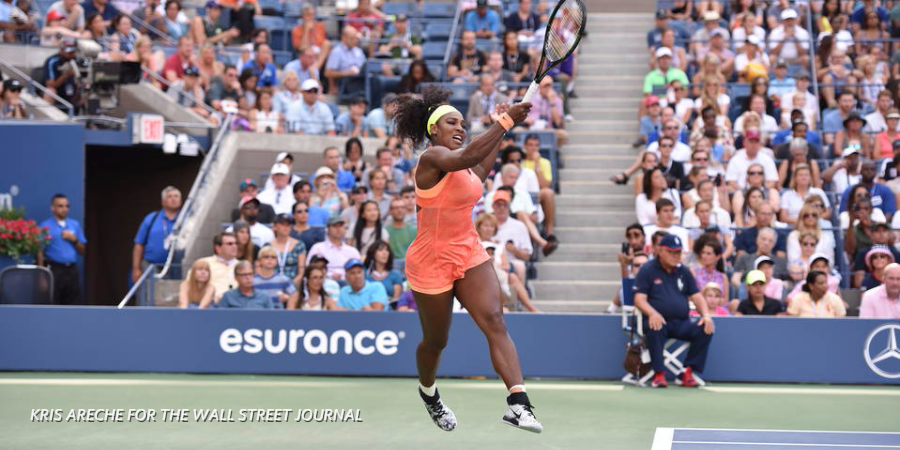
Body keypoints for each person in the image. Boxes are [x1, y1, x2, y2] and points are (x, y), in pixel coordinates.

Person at [393, 85, 541, 432]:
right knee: (436, 341)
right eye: (451, 123)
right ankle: (429, 393)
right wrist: (503, 122)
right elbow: (466, 158)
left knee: (494, 319)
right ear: (433, 131)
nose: (459, 128)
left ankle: (518, 402)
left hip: (468, 251)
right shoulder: (431, 159)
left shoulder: (463, 163)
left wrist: (503, 128)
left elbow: (480, 169)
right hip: (430, 261)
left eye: (462, 123)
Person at [633, 234, 715, 388]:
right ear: (660, 251)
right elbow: (639, 299)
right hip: (656, 321)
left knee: (705, 328)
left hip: (681, 322)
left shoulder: (684, 271)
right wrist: (652, 313)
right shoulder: (648, 269)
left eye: (677, 252)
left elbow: (697, 296)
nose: (675, 256)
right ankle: (658, 374)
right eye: (671, 252)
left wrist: (706, 316)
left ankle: (687, 372)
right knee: (655, 325)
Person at [37, 194, 86, 305]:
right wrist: (41, 275)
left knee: (74, 303)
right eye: (60, 206)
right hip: (54, 269)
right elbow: (39, 251)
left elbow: (82, 251)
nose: (64, 209)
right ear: (52, 208)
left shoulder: (75, 224)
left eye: (67, 206)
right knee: (54, 301)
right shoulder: (45, 226)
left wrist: (74, 239)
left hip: (72, 270)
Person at [132, 186, 180, 284]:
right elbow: (139, 244)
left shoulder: (186, 219)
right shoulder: (151, 218)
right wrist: (136, 268)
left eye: (176, 196)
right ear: (163, 201)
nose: (174, 199)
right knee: (152, 295)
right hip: (151, 265)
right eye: (170, 196)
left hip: (176, 267)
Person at [306, 216, 362, 282]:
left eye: (341, 226)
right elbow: (309, 270)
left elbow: (359, 272)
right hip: (324, 284)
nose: (338, 229)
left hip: (349, 284)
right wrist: (329, 276)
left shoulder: (353, 251)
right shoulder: (318, 248)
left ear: (345, 229)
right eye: (334, 226)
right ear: (327, 230)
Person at [265, 213, 305, 284]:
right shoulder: (268, 246)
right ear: (275, 226)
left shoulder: (299, 245)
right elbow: (263, 269)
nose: (286, 227)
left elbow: (301, 273)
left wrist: (290, 287)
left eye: (288, 225)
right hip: (272, 284)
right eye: (282, 224)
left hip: (293, 285)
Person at [365, 241, 403, 308]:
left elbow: (395, 301)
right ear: (373, 253)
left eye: (387, 250)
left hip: (389, 311)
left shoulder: (395, 275)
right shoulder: (365, 273)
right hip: (366, 309)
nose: (385, 253)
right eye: (380, 250)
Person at [385, 198, 415, 267]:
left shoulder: (414, 230)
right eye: (396, 208)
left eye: (402, 207)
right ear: (390, 211)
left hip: (411, 266)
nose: (399, 210)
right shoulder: (384, 231)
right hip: (392, 266)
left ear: (406, 210)